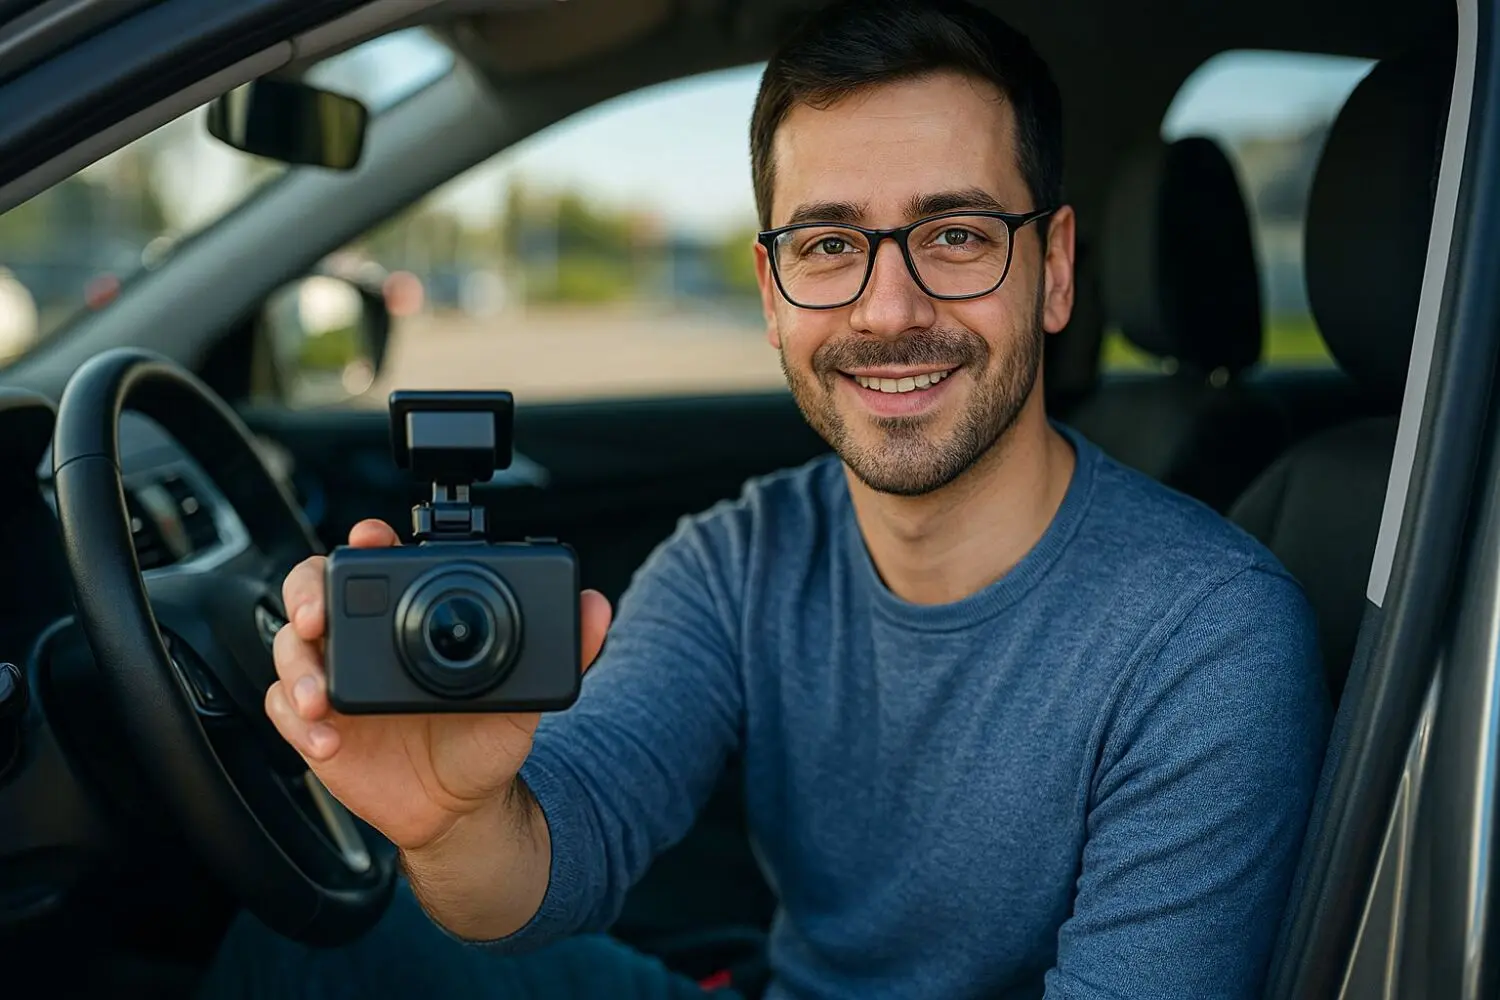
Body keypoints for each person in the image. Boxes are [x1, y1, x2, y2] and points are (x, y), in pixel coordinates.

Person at [199, 0, 1331, 997]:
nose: (889, 309)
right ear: (772, 292)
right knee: (315, 942)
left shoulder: (1208, 636)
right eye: (831, 244)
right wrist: (451, 825)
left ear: (1057, 269)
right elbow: (561, 848)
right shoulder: (741, 557)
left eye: (955, 234)